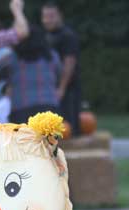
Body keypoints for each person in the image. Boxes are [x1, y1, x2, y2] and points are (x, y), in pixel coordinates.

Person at [5, 25, 62, 124]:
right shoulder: (52, 56)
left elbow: (6, 78)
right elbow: (58, 75)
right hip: (49, 107)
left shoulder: (13, 58)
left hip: (21, 107)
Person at [40, 3, 81, 133]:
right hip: (49, 88)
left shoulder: (67, 36)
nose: (48, 20)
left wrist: (61, 88)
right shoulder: (43, 36)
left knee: (68, 125)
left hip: (67, 88)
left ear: (59, 16)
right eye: (45, 16)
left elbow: (70, 62)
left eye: (51, 16)